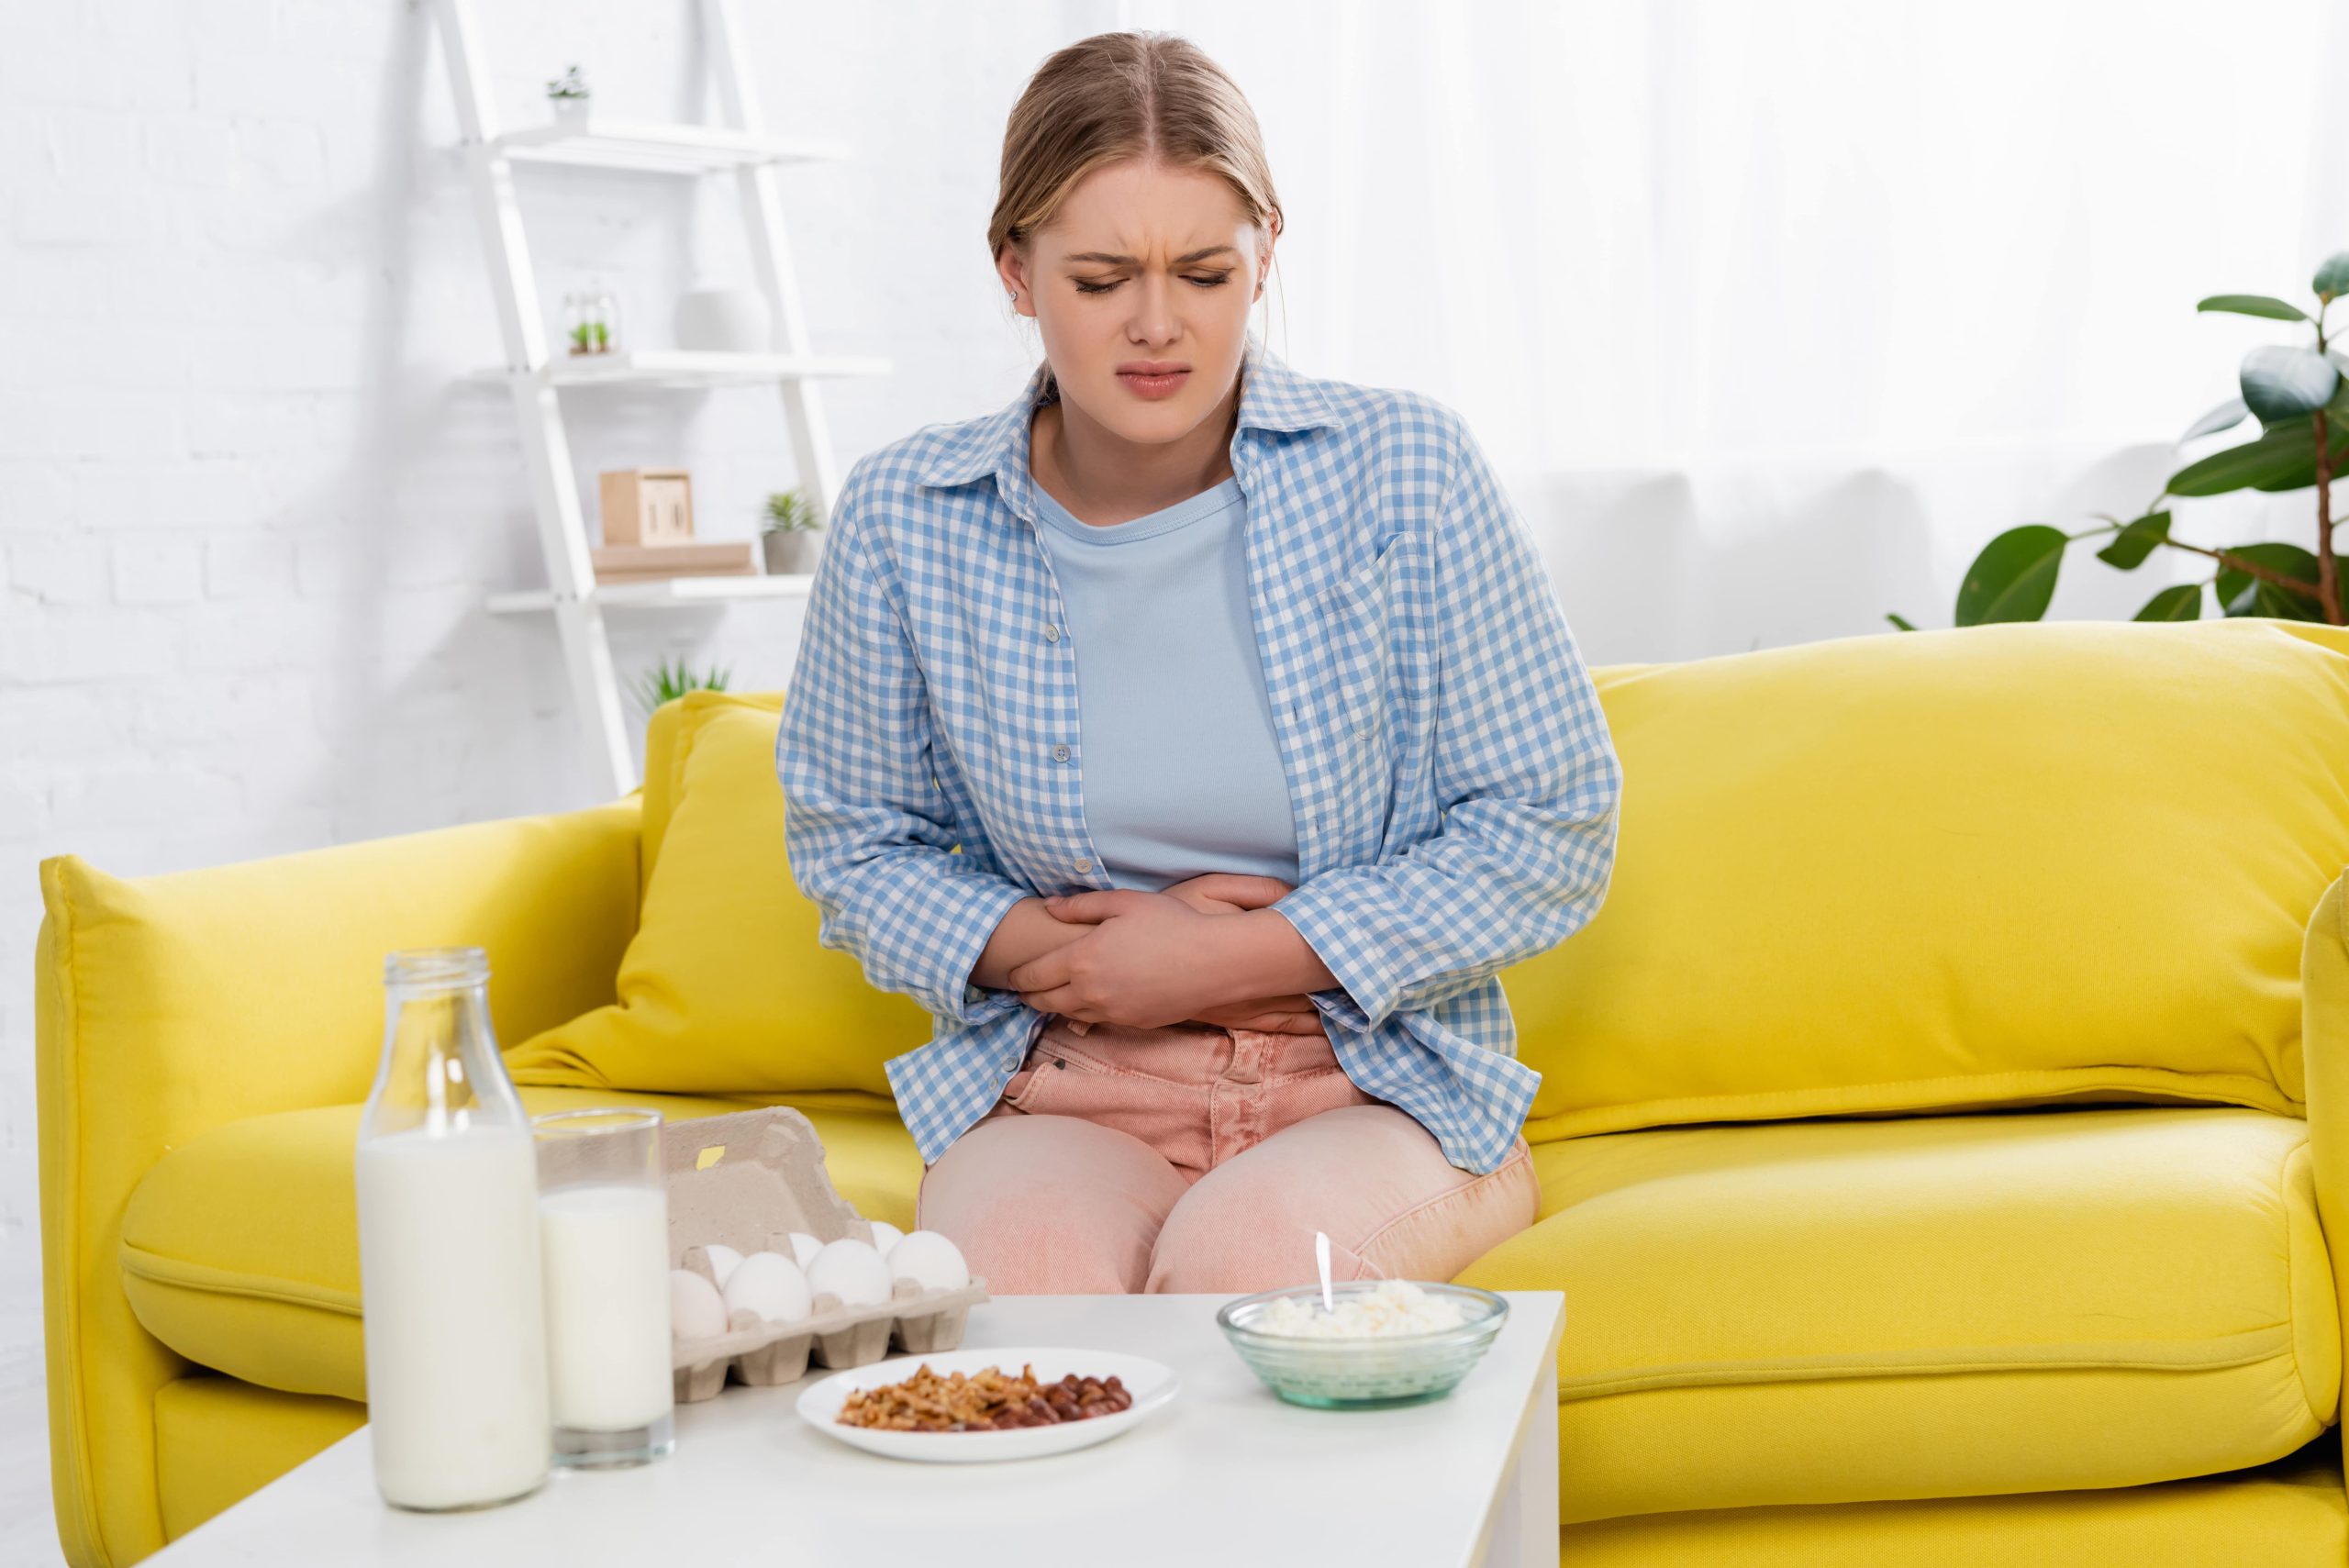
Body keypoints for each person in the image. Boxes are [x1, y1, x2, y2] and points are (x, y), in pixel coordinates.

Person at [776, 30, 1622, 1295]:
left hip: (1375, 1083)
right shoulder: (908, 515)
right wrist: (1028, 946)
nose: (1158, 325)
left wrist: (1244, 955)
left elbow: (1553, 819)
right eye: (1103, 277)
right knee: (1021, 1297)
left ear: (1267, 251)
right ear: (1016, 271)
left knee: (1253, 1271)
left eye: (1208, 272)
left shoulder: (1406, 471)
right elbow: (850, 834)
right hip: (1068, 1079)